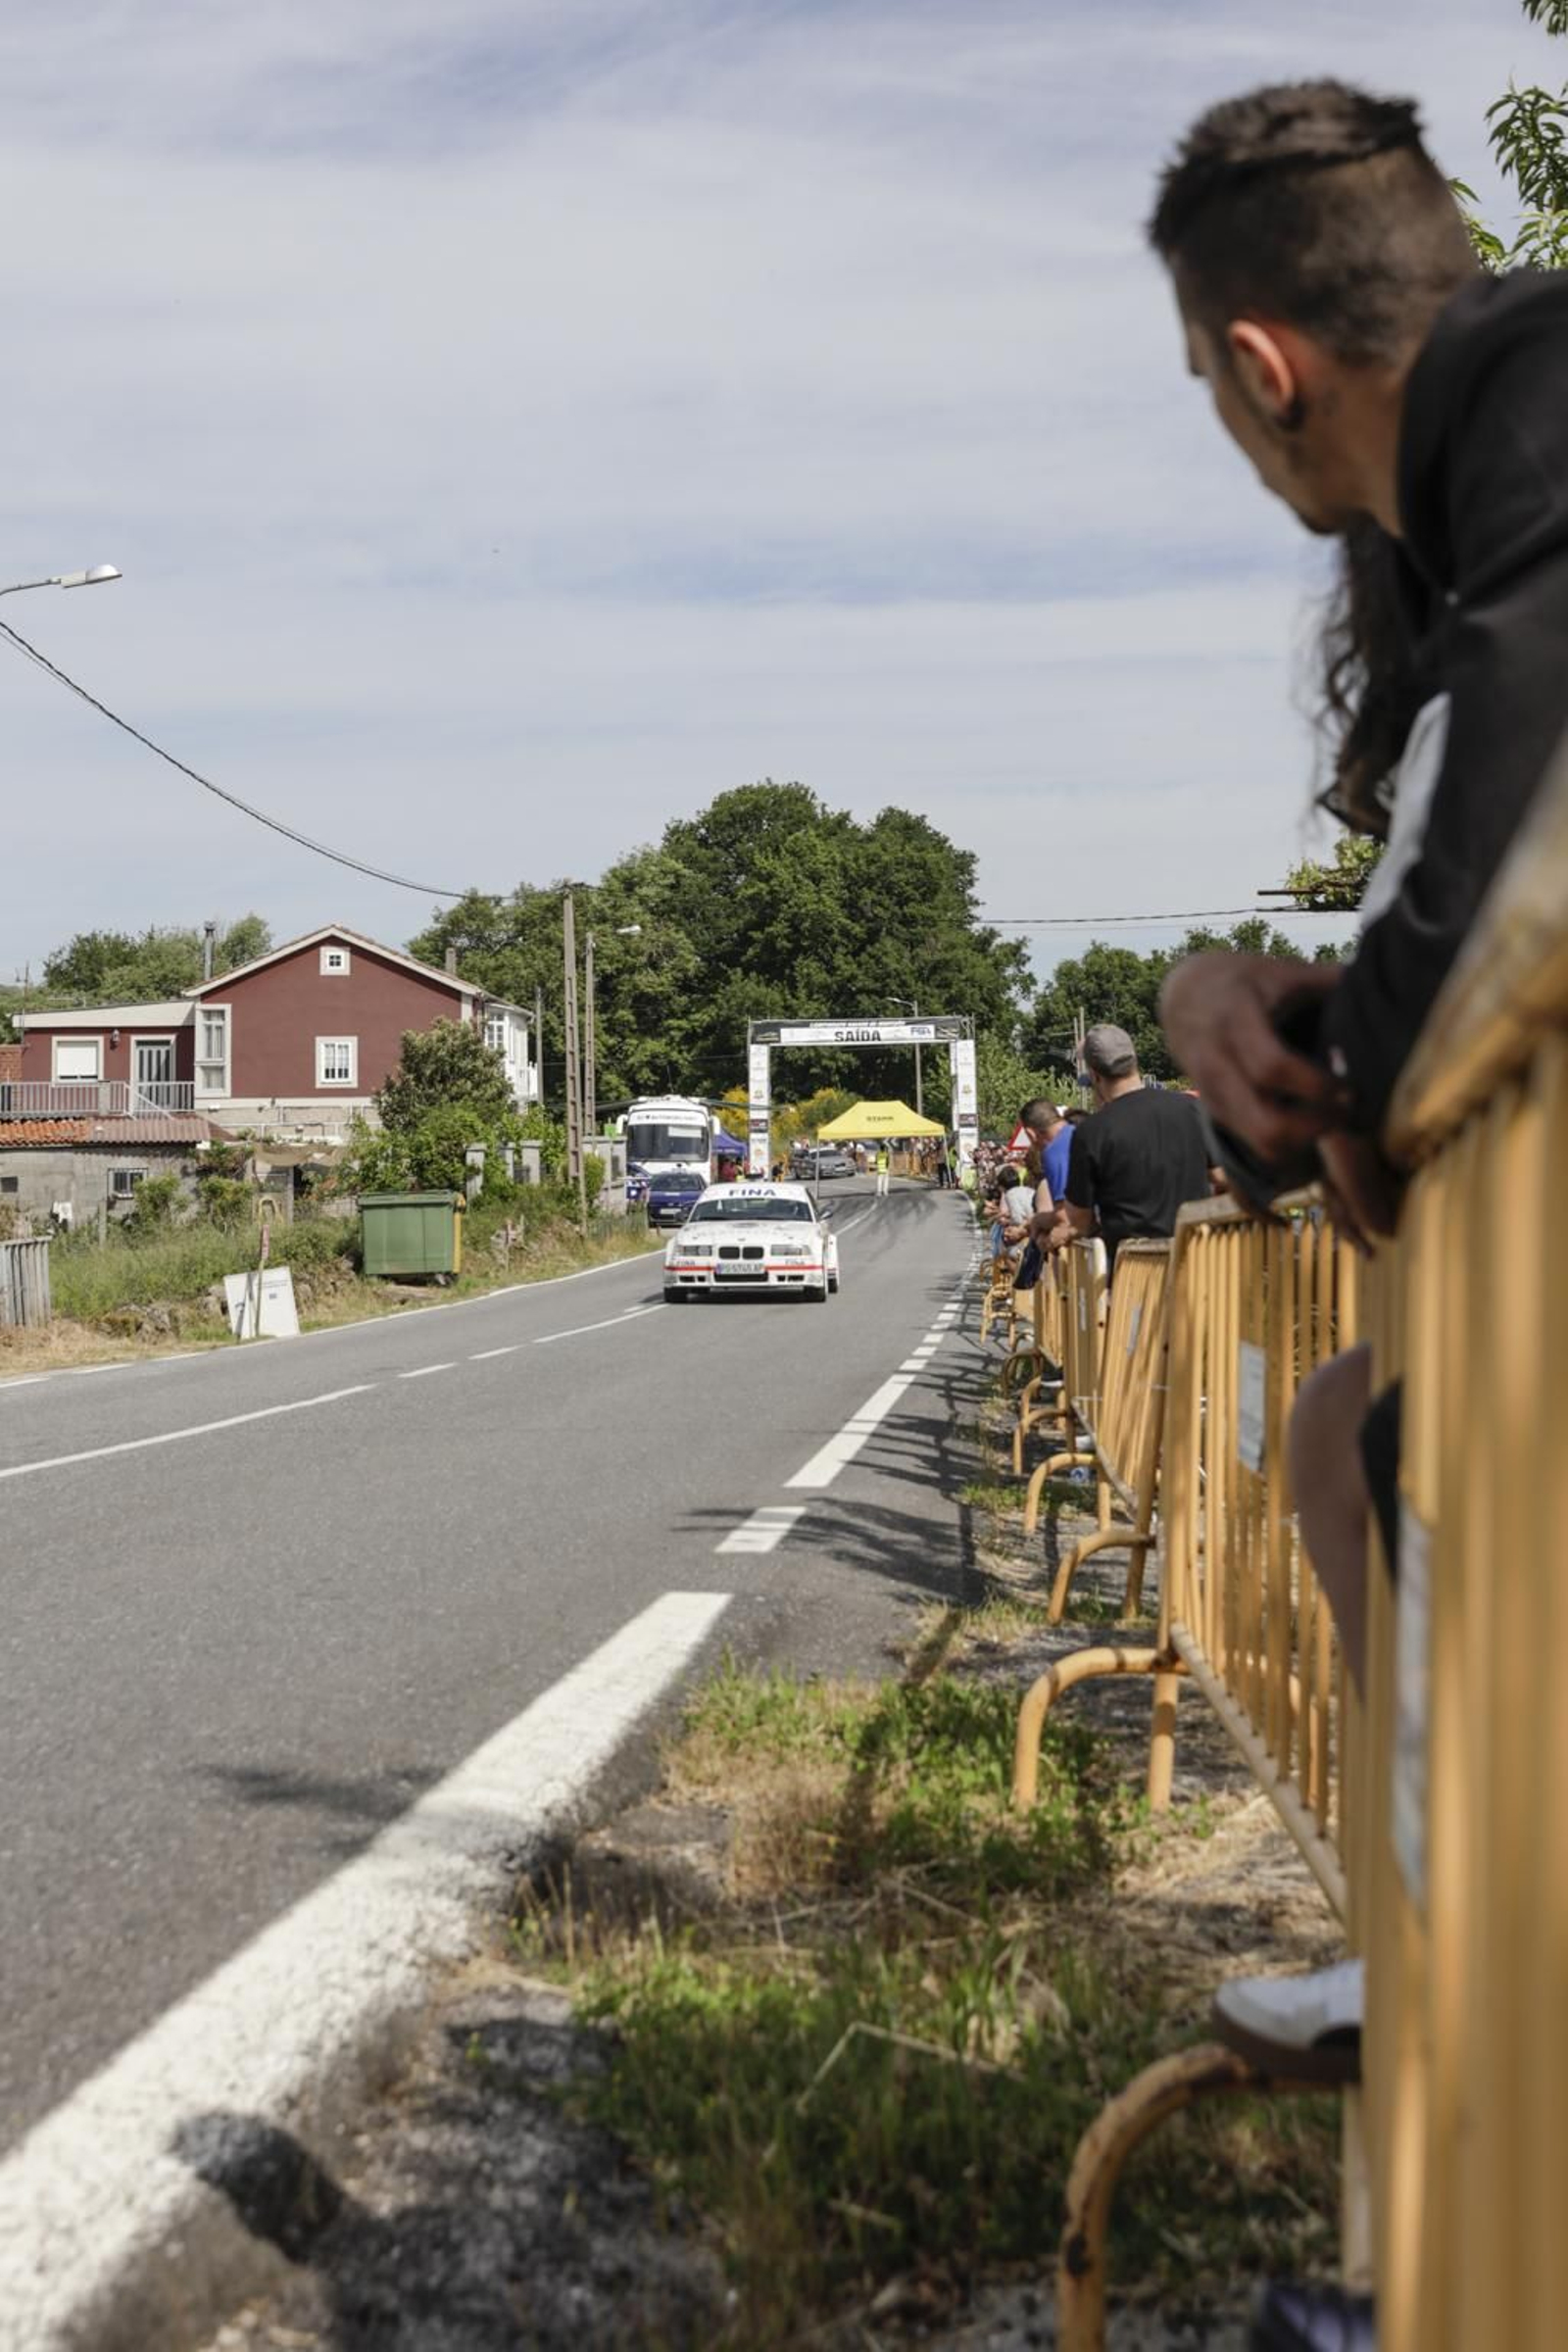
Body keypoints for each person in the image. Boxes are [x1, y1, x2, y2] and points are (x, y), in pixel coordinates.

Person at [1142, 76, 1568, 2261]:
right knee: (1337, 1432)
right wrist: (1253, 1003)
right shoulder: (1467, 528)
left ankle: (1477, 2001)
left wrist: (1364, 1076)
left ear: (1253, 368)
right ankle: (1444, 1961)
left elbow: (1519, 832)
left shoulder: (1538, 431)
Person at [1042, 1026, 1209, 1271]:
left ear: (1095, 1076)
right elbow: (1222, 1177)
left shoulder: (1092, 1132)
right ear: (1134, 1063)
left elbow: (1079, 1222)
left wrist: (1054, 1235)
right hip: (1199, 1262)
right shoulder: (1192, 1109)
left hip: (1134, 1277)